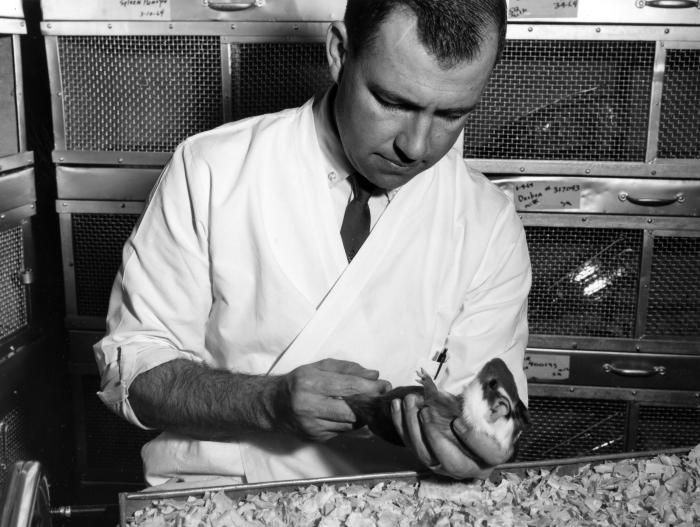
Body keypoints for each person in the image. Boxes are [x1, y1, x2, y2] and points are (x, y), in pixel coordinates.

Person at [94, 0, 531, 487]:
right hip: (218, 494)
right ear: (340, 52)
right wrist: (269, 402)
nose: (417, 145)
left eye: (452, 114)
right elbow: (134, 375)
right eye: (392, 102)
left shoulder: (489, 222)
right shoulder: (213, 170)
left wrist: (471, 447)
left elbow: (485, 414)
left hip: (402, 498)